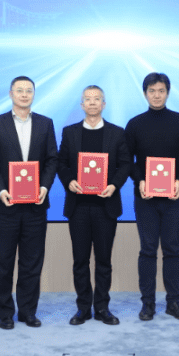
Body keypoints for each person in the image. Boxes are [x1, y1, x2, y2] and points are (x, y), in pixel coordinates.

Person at [0, 76, 58, 329]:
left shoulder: (46, 123)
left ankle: (28, 311)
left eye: (29, 90)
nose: (24, 94)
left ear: (34, 94)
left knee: (32, 261)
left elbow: (52, 159)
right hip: (6, 205)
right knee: (2, 261)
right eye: (19, 90)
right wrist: (1, 190)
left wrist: (44, 187)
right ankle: (5, 313)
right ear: (11, 93)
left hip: (36, 205)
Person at [124, 72, 179, 322]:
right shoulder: (135, 124)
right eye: (152, 91)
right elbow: (127, 159)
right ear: (145, 93)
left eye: (161, 91)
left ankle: (173, 302)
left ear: (168, 92)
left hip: (173, 197)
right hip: (145, 198)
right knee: (147, 250)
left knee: (172, 249)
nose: (157, 95)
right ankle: (148, 303)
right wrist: (140, 180)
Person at [57, 85, 131, 325]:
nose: (92, 102)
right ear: (81, 105)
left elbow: (125, 164)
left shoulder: (117, 133)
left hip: (105, 207)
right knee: (80, 261)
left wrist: (114, 185)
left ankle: (102, 308)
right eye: (87, 99)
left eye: (96, 99)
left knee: (104, 261)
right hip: (78, 206)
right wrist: (69, 181)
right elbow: (61, 163)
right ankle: (83, 308)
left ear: (103, 104)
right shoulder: (69, 132)